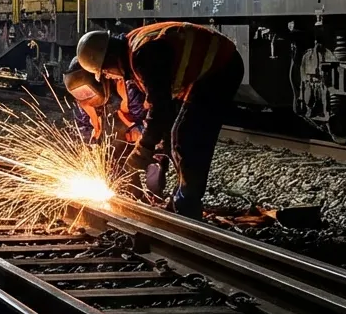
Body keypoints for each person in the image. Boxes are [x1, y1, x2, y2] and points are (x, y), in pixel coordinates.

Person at [76, 22, 244, 219]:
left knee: (187, 136)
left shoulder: (144, 55)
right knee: (176, 136)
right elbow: (156, 112)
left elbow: (160, 109)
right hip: (203, 73)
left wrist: (144, 147)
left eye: (105, 71)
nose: (108, 76)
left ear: (110, 59)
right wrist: (156, 147)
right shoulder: (131, 54)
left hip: (220, 67)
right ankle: (184, 195)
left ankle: (187, 203)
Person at [61, 57, 168, 201]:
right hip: (116, 147)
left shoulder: (128, 87)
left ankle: (154, 193)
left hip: (145, 142)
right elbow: (84, 127)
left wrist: (140, 130)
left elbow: (155, 120)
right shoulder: (83, 103)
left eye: (87, 92)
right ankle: (131, 194)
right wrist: (89, 148)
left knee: (153, 181)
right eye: (79, 95)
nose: (85, 98)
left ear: (98, 79)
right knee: (117, 175)